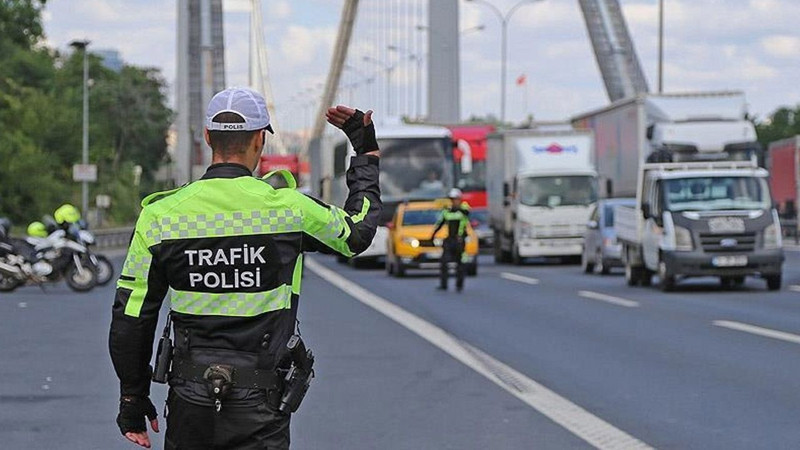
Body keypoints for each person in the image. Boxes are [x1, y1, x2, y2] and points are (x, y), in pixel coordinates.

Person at [109, 87, 382, 449]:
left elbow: (131, 317)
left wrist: (132, 397)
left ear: (208, 138)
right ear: (259, 140)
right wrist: (365, 153)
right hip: (262, 401)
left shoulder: (160, 216)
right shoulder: (289, 210)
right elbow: (356, 234)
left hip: (191, 400)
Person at [431, 188, 470, 292]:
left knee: (460, 264)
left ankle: (459, 284)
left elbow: (466, 213)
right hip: (449, 240)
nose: (454, 201)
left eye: (456, 199)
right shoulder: (447, 212)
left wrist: (458, 208)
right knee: (444, 262)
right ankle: (444, 284)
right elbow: (440, 224)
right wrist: (433, 235)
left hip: (460, 240)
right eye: (452, 199)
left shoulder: (464, 209)